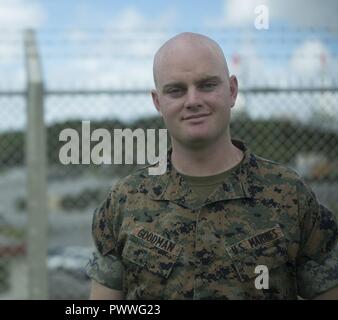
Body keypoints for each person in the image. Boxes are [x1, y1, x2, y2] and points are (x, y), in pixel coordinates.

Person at [85, 32, 338, 299]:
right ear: (158, 102)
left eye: (207, 85)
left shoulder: (290, 195)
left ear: (231, 91)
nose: (193, 100)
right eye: (176, 90)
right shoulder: (124, 201)